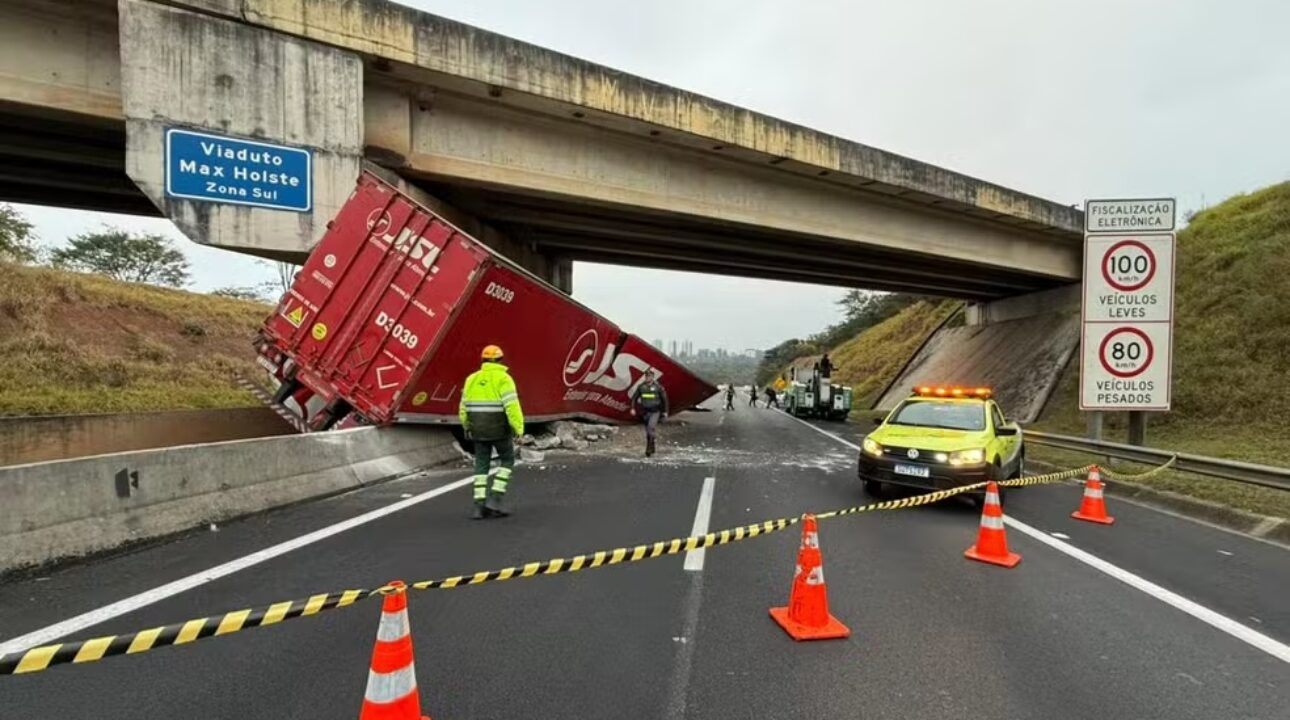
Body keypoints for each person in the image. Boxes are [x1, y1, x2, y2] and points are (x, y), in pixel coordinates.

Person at [459, 344, 524, 520]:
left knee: (481, 465)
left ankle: (479, 506)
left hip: (478, 430)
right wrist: (518, 428)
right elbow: (512, 406)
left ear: (483, 360)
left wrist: (466, 426)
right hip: (499, 429)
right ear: (501, 360)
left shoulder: (471, 379)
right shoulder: (504, 379)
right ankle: (495, 499)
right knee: (507, 460)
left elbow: (463, 407)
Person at [631, 369, 669, 457]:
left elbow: (664, 400)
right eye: (646, 376)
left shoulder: (658, 387)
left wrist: (665, 411)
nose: (648, 378)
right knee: (648, 431)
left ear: (652, 377)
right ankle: (652, 446)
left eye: (649, 376)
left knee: (651, 427)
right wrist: (633, 408)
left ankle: (648, 449)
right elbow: (634, 398)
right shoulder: (641, 387)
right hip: (645, 412)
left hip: (655, 411)